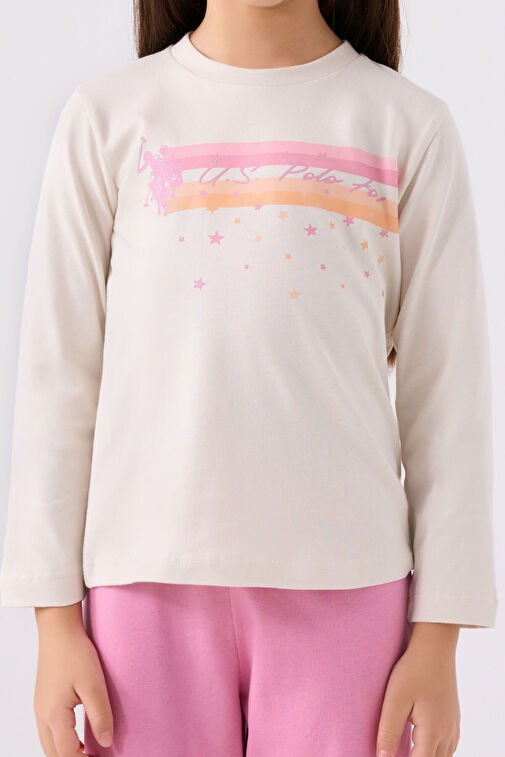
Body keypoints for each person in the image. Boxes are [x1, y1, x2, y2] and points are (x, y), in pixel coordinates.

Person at [0, 0, 498, 755]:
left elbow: (448, 401)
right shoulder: (108, 118)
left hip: (348, 592)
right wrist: (53, 620)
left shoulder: (406, 126)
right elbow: (57, 375)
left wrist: (438, 637)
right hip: (142, 592)